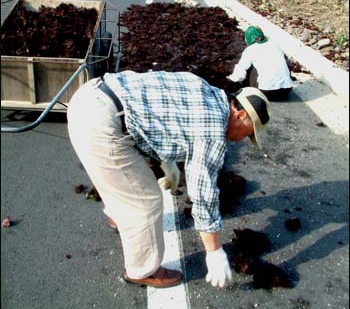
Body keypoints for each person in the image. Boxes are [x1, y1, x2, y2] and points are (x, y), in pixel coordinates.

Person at [67, 71, 271, 289]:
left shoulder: (206, 90)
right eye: (247, 133)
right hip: (102, 123)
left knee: (123, 180)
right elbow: (202, 192)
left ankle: (120, 217)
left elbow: (161, 113)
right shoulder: (213, 130)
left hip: (90, 96)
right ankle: (142, 270)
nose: (241, 140)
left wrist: (168, 161)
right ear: (240, 115)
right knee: (146, 202)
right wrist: (214, 252)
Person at [227, 26, 293, 101]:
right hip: (286, 91)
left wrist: (231, 80)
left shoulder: (250, 50)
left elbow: (240, 73)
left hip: (266, 92)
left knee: (251, 68)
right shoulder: (274, 44)